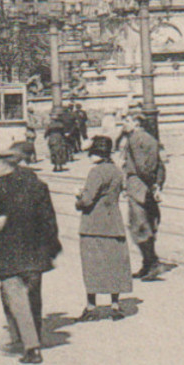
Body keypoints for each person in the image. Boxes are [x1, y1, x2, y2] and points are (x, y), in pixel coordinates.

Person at [0, 144, 62, 365]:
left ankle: (31, 347)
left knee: (14, 296)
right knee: (33, 295)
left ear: (5, 164)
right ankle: (30, 336)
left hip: (9, 250)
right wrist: (51, 246)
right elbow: (49, 219)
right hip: (36, 250)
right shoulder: (35, 184)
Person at [75, 135, 132, 320]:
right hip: (114, 224)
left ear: (96, 153)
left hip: (93, 225)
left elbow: (87, 200)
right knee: (114, 264)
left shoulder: (96, 172)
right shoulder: (116, 171)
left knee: (92, 266)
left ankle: (91, 307)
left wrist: (78, 197)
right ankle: (115, 305)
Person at [121, 113, 167, 280]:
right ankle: (147, 265)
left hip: (138, 187)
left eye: (126, 121)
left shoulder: (135, 139)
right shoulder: (151, 138)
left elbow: (142, 167)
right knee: (148, 225)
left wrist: (148, 185)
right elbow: (160, 165)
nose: (123, 124)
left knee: (138, 227)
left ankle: (152, 264)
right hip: (146, 187)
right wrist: (157, 185)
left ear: (136, 122)